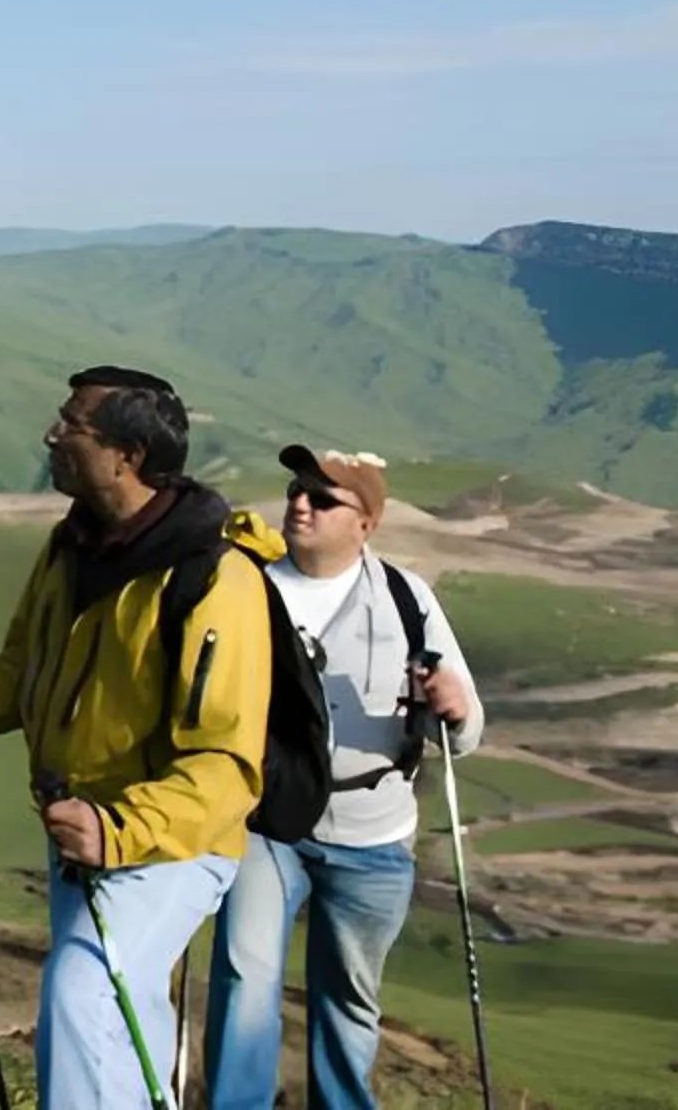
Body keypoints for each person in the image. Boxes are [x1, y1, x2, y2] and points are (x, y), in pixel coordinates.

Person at [0, 365, 286, 1108]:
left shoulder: (214, 577)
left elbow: (227, 763)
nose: (51, 435)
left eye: (72, 424)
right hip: (81, 833)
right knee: (122, 1020)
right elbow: (25, 677)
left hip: (169, 844)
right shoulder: (70, 546)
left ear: (127, 455)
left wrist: (119, 829)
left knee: (84, 994)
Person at [202, 444, 484, 1110]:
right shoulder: (246, 589)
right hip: (265, 819)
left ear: (366, 523)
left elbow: (466, 731)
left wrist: (454, 706)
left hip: (374, 833)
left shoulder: (407, 600)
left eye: (323, 499)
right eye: (296, 492)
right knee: (245, 976)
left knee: (350, 1000)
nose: (300, 504)